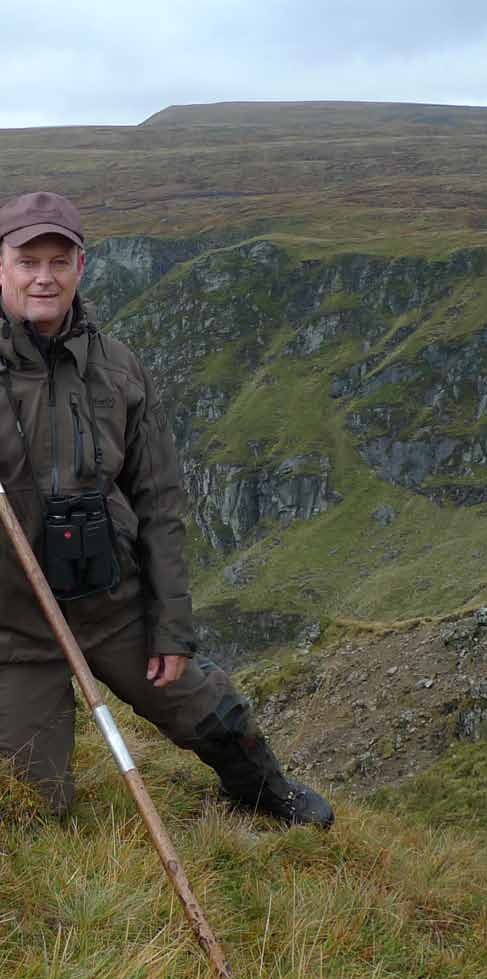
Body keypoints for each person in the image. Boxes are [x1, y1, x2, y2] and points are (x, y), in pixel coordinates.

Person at [0, 191, 333, 828]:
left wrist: (171, 626)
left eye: (59, 261)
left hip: (113, 604)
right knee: (31, 805)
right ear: (2, 266)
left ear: (81, 267)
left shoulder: (119, 368)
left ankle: (266, 793)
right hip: (15, 627)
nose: (44, 276)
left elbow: (158, 501)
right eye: (27, 260)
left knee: (213, 713)